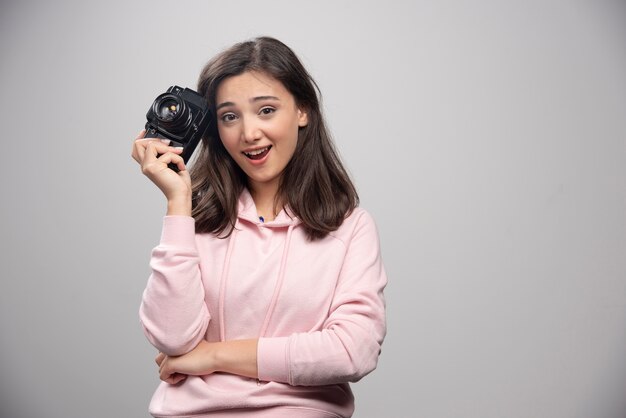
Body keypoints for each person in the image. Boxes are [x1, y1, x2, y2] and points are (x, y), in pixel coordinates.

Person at [131, 36, 387, 418]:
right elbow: (172, 339)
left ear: (303, 111)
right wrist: (178, 205)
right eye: (229, 116)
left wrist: (212, 355)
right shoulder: (195, 222)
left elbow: (353, 351)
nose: (249, 133)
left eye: (266, 110)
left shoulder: (350, 228)